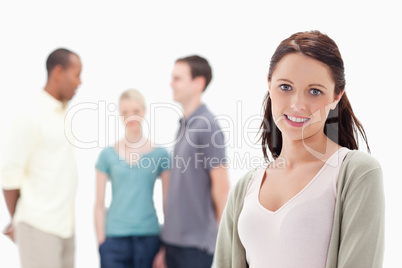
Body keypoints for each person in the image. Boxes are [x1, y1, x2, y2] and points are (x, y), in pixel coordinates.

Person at [214, 31, 385, 268]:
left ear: (337, 96)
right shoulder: (246, 187)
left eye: (315, 91)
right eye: (285, 87)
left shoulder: (356, 173)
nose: (297, 105)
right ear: (269, 84)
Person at [1, 48, 82, 268]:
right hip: (39, 226)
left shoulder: (62, 112)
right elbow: (9, 176)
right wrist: (19, 218)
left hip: (65, 226)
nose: (80, 82)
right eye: (76, 75)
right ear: (58, 72)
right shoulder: (31, 113)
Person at [154, 55, 230, 268]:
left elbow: (222, 188)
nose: (171, 83)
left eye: (178, 78)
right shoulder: (184, 124)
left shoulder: (208, 125)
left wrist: (223, 244)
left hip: (195, 247)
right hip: (173, 242)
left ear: (198, 83)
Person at [95, 89, 170, 268]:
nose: (130, 117)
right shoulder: (107, 155)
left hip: (149, 237)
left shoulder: (161, 155)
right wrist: (101, 243)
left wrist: (166, 245)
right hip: (114, 239)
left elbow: (168, 202)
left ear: (144, 111)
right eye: (125, 112)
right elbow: (98, 204)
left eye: (135, 111)